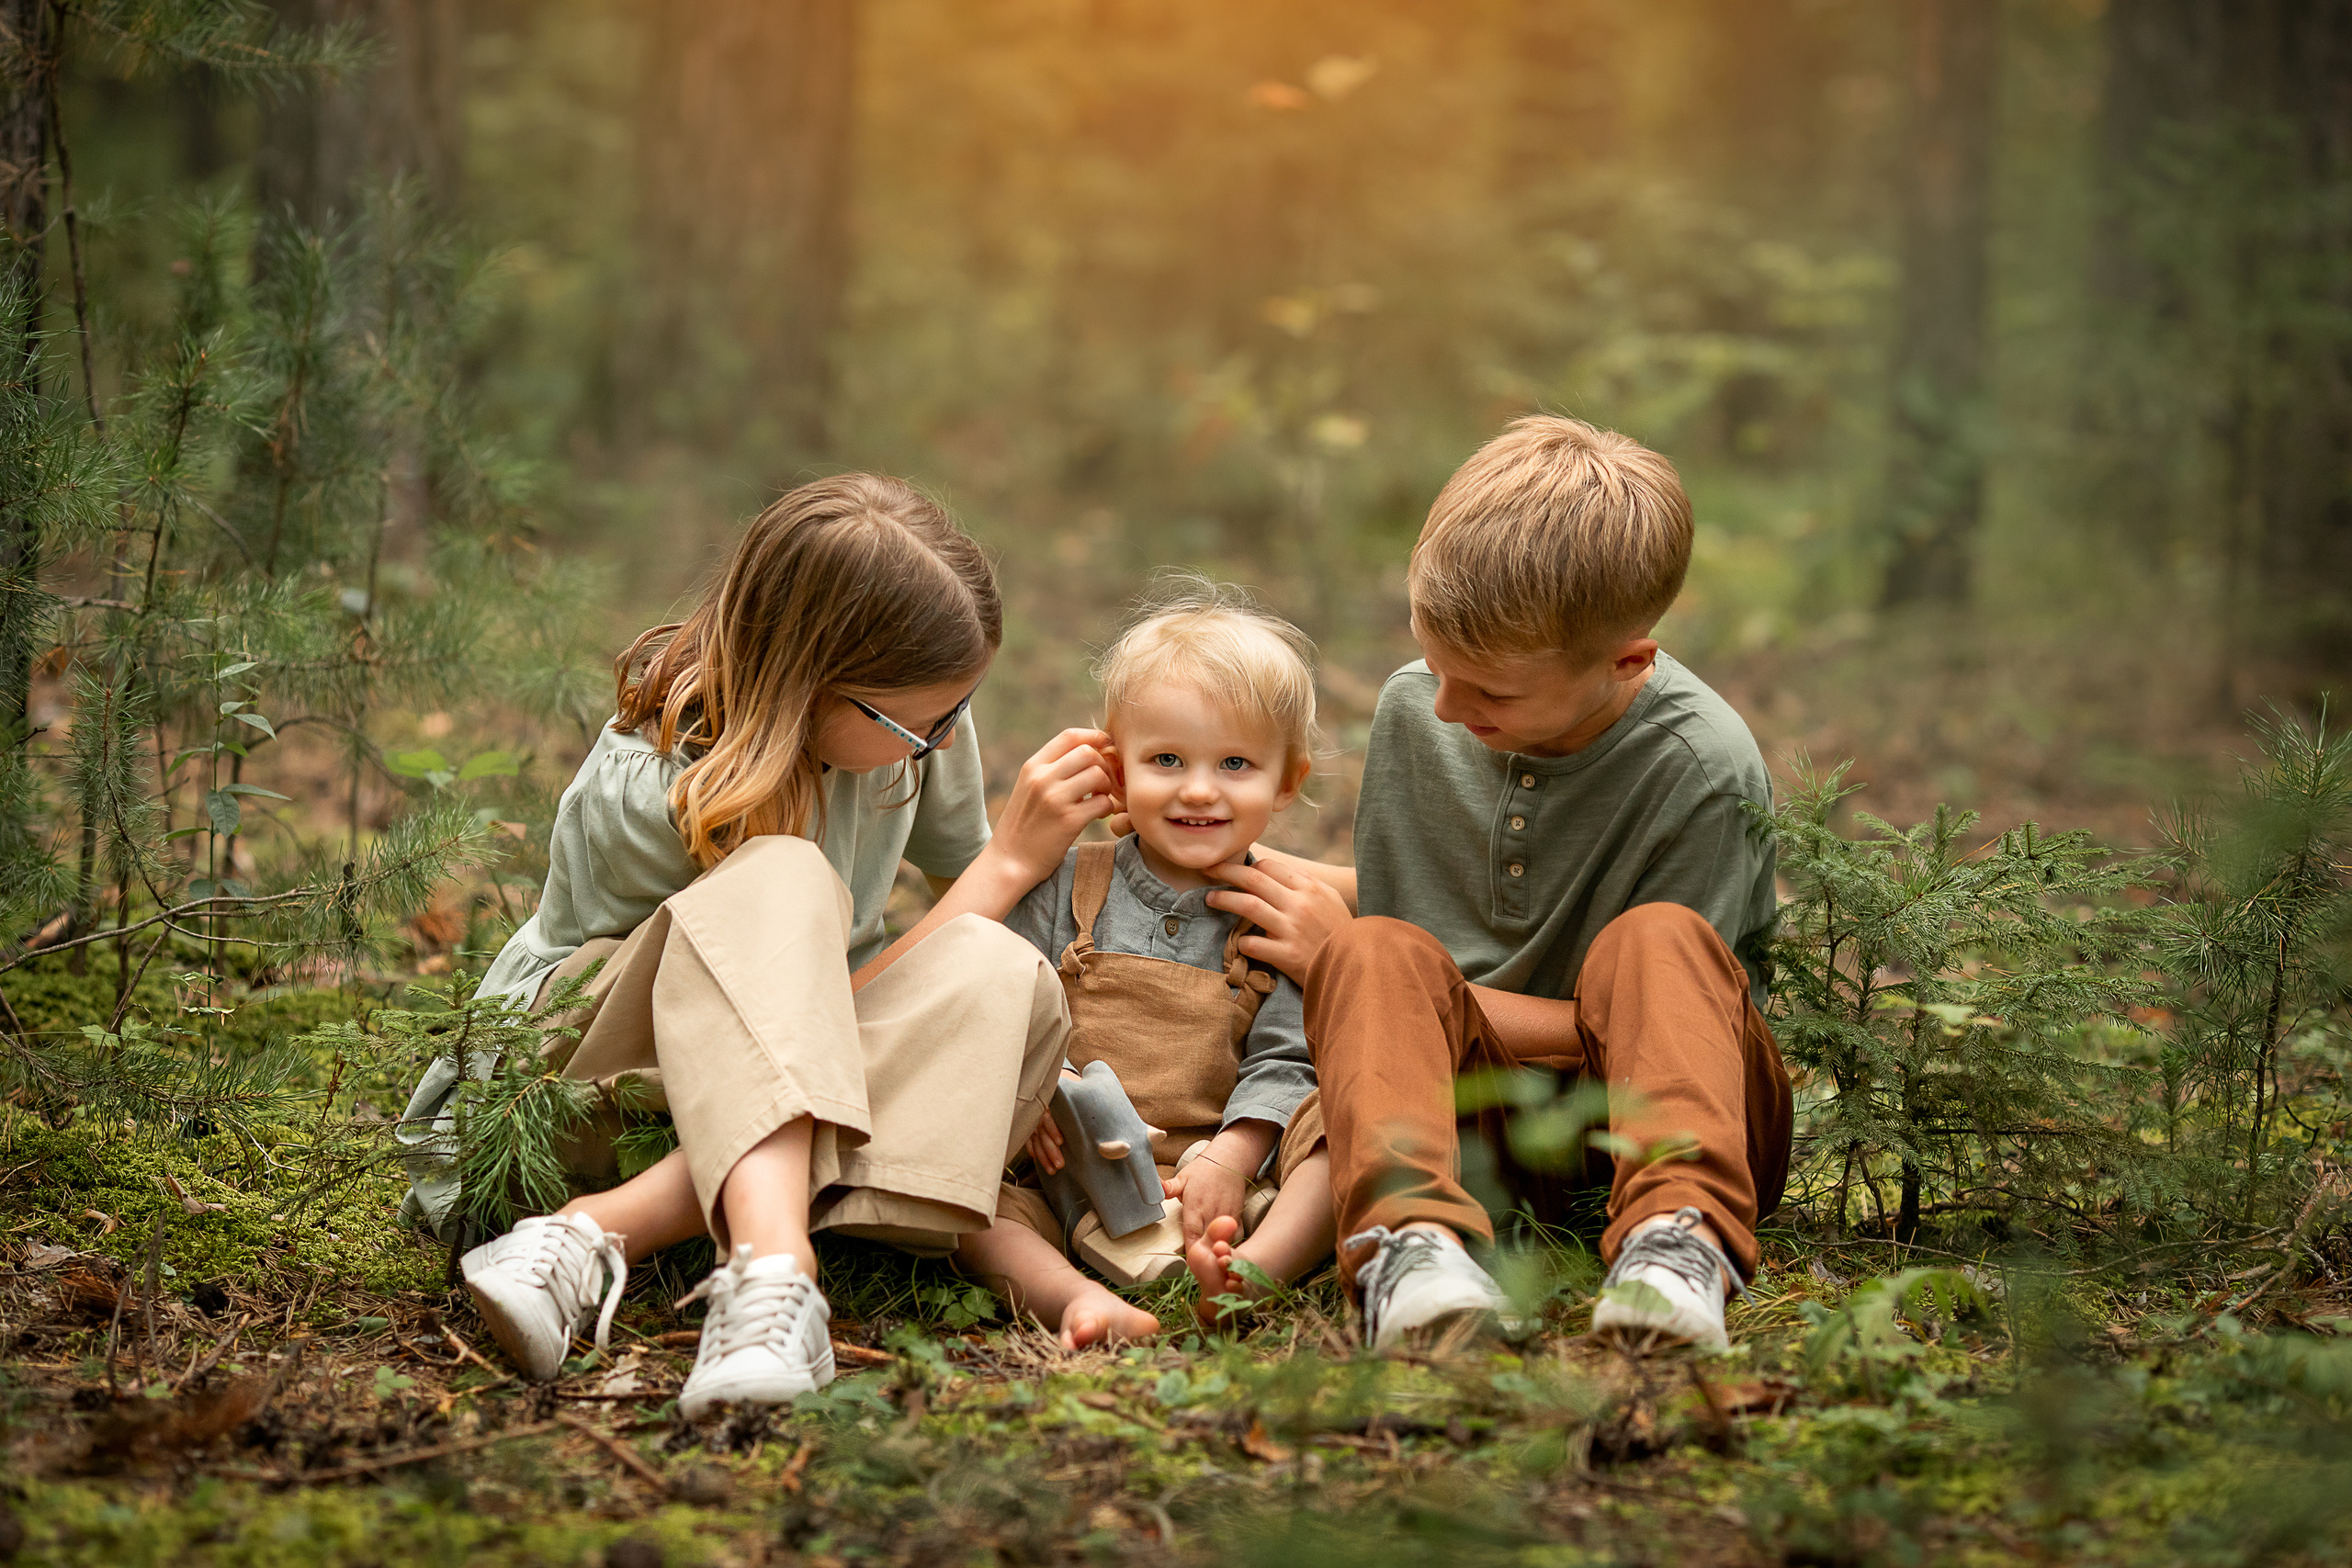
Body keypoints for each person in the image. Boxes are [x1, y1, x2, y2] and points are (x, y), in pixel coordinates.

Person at [405, 474, 1118, 1416]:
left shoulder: (914, 732)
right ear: (810, 684)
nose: (939, 743)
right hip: (580, 1081)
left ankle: (596, 1239)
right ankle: (775, 1265)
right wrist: (1006, 872)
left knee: (1002, 973)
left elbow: (924, 952)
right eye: (920, 723)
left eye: (958, 712)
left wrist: (1019, 1058)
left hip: (792, 1080)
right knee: (785, 875)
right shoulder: (654, 780)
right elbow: (727, 1028)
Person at [1204, 415, 1794, 1355]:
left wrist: (1339, 966)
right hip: (1464, 1130)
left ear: (1626, 661)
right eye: (1434, 664)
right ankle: (1413, 1246)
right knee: (1371, 947)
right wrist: (1214, 861)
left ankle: (1678, 1246)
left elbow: (1687, 1022)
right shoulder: (1422, 709)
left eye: (1489, 692)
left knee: (1657, 942)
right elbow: (1436, 921)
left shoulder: (1701, 766)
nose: (1445, 706)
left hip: (1648, 1121)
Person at [956, 582, 1337, 1348]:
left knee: (1337, 1130)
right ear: (1117, 770)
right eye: (1167, 758)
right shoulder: (1065, 882)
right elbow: (1002, 994)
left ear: (1287, 780)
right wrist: (1035, 1092)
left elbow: (1287, 1054)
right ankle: (1072, 1298)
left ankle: (1251, 1270)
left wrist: (1232, 1155)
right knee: (964, 1198)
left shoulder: (1276, 907)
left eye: (1235, 763)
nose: (1199, 788)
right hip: (1063, 1177)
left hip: (1229, 1176)